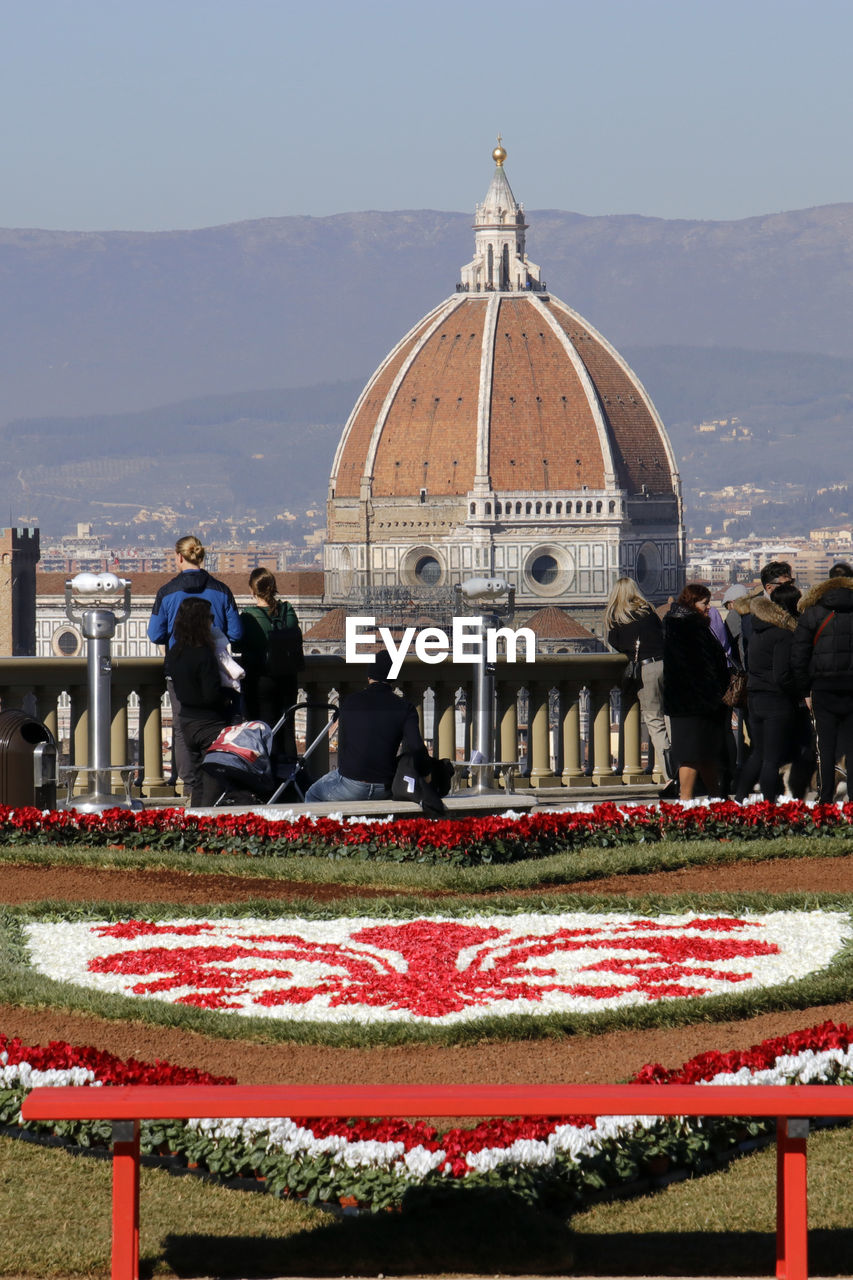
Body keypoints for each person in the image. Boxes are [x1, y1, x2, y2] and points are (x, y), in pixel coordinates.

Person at [147, 535, 242, 790]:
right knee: (220, 728)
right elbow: (236, 632)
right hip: (218, 670)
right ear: (201, 556)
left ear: (178, 557)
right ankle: (218, 784)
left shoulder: (166, 592)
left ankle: (189, 786)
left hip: (178, 671)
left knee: (181, 728)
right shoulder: (222, 590)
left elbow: (155, 634)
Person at [305, 650, 431, 802]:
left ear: (369, 676)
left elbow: (343, 748)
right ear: (393, 677)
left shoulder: (350, 702)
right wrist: (425, 772)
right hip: (386, 786)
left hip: (351, 784)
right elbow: (416, 747)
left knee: (313, 794)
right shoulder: (405, 708)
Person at [734, 582, 815, 802]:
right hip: (776, 701)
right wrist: (798, 692)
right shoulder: (783, 634)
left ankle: (741, 797)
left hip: (755, 697)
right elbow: (782, 675)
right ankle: (770, 805)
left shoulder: (758, 629)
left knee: (759, 753)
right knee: (771, 758)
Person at [791, 562, 853, 804]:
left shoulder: (813, 611)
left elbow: (799, 655)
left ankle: (825, 797)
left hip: (822, 687)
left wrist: (805, 690)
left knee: (825, 748)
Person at [663, 583, 730, 800]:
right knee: (694, 755)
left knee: (703, 754)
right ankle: (687, 800)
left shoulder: (675, 623)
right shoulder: (691, 626)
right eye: (705, 603)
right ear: (693, 603)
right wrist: (715, 694)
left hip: (683, 701)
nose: (709, 607)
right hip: (697, 702)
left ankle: (715, 796)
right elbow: (704, 665)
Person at [163, 598, 231, 807]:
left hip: (187, 722)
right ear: (201, 621)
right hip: (208, 724)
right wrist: (227, 698)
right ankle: (209, 826)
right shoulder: (204, 654)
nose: (212, 621)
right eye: (209, 617)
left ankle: (195, 824)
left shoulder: (174, 653)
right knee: (213, 783)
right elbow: (210, 695)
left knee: (198, 782)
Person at [604, 576, 671, 785]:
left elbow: (616, 643)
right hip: (667, 666)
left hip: (647, 671)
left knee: (655, 723)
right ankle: (687, 772)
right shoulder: (649, 612)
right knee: (671, 719)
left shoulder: (618, 618)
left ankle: (672, 776)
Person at [236, 567, 303, 755]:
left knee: (260, 729)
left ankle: (266, 775)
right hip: (288, 678)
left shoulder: (248, 616)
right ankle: (288, 773)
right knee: (287, 727)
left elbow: (236, 645)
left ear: (252, 590)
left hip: (259, 680)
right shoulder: (287, 610)